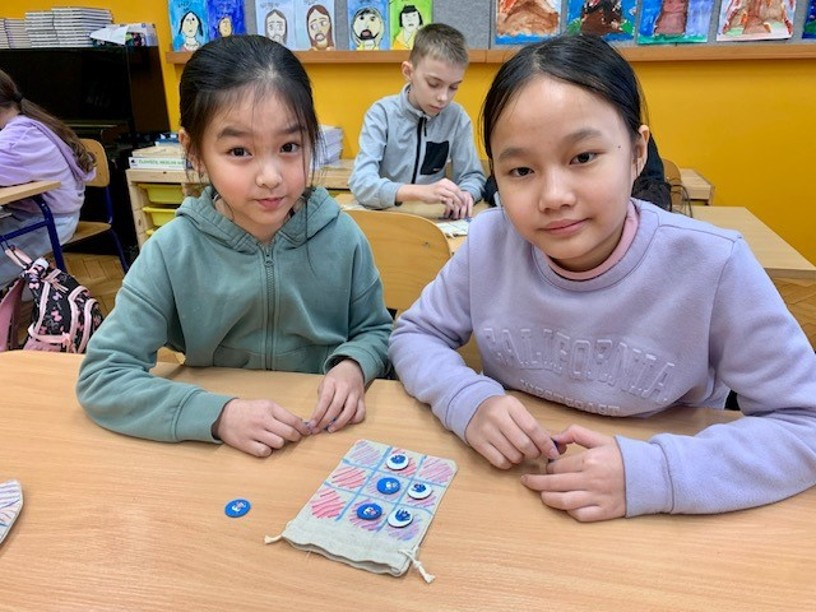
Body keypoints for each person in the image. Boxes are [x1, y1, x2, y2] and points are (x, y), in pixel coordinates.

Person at [389, 34, 816, 521]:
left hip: (661, 520)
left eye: (583, 158)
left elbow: (805, 422)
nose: (554, 196)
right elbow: (415, 334)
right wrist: (466, 400)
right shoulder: (490, 241)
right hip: (513, 500)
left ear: (637, 153)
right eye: (521, 170)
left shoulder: (713, 265)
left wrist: (655, 474)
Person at [76, 36, 392, 458]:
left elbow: (375, 331)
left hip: (324, 439)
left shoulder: (342, 236)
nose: (270, 176)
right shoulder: (172, 251)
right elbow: (103, 376)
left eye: (289, 147)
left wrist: (354, 364)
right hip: (218, 452)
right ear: (195, 152)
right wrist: (218, 415)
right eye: (239, 151)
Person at [349, 23, 485, 220]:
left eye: (453, 87)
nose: (443, 97)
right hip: (387, 217)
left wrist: (466, 194)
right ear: (408, 72)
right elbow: (361, 183)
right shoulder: (382, 114)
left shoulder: (457, 118)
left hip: (432, 221)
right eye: (434, 84)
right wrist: (421, 192)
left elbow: (473, 177)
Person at [0, 69, 95, 288]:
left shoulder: (16, 139)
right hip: (37, 216)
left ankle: (28, 290)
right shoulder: (25, 123)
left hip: (48, 221)